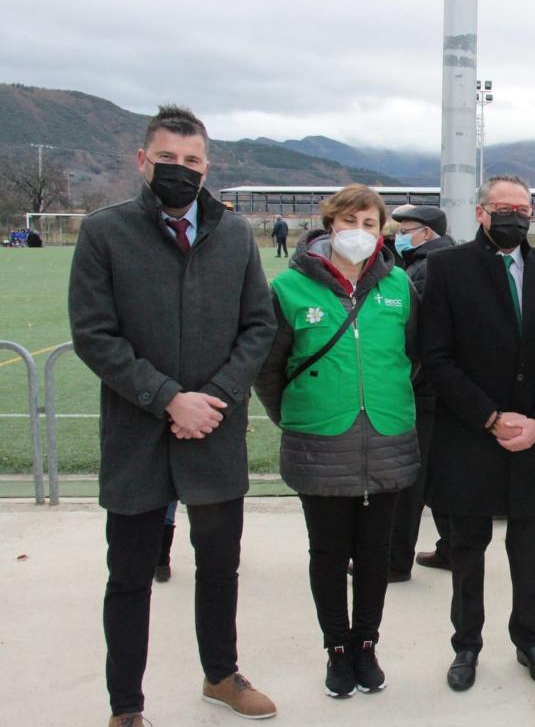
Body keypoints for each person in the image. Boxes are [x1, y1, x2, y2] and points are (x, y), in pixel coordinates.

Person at [68, 105, 277, 725]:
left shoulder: (236, 235)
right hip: (138, 436)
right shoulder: (105, 232)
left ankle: (220, 675)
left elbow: (258, 325)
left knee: (219, 567)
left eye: (191, 161)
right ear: (143, 160)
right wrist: (167, 398)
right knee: (129, 576)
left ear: (207, 166)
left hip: (214, 434)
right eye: (167, 159)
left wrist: (212, 397)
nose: (179, 171)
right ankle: (126, 708)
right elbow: (94, 334)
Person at [254, 184, 421, 698]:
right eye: (349, 222)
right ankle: (338, 649)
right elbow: (269, 368)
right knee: (328, 553)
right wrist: (298, 415)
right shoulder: (289, 289)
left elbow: (414, 356)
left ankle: (366, 644)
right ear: (330, 226)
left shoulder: (399, 286)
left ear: (381, 230)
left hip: (388, 438)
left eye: (370, 224)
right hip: (320, 442)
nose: (360, 232)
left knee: (375, 554)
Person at [420, 174, 535, 692]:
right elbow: (436, 358)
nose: (515, 215)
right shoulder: (447, 267)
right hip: (470, 436)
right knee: (467, 549)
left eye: (524, 208)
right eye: (504, 207)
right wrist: (490, 416)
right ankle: (466, 645)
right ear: (483, 212)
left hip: (532, 440)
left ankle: (531, 641)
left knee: (531, 549)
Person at [390, 204, 457, 576]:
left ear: (426, 233)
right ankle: (451, 548)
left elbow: (415, 334)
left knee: (411, 478)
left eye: (406, 228)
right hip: (441, 390)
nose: (399, 234)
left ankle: (394, 559)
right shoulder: (441, 261)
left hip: (423, 388)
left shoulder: (425, 269)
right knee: (438, 474)